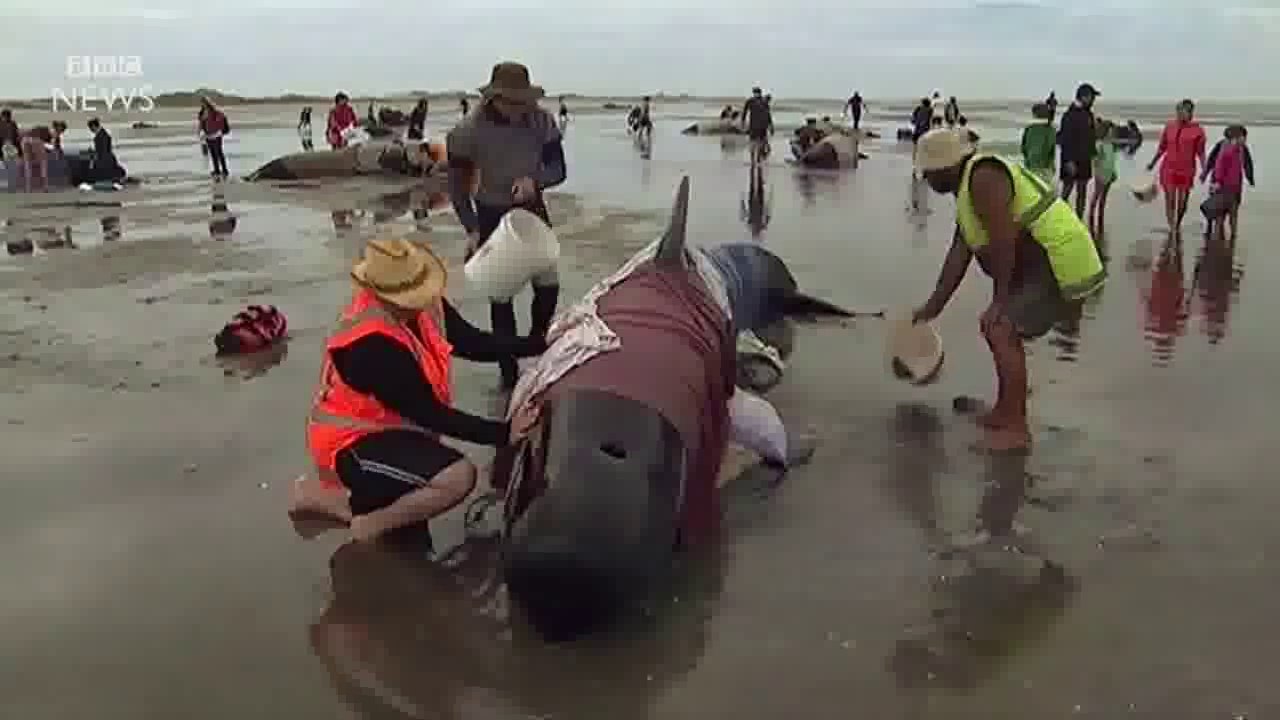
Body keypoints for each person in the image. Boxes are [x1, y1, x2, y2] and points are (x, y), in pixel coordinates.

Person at [291, 234, 547, 545]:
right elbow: (431, 414)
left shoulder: (427, 305)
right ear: (382, 295)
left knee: (415, 529)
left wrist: (536, 344)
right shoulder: (371, 347)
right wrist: (504, 433)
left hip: (396, 429)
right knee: (458, 477)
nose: (421, 299)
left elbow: (472, 342)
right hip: (351, 441)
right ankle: (364, 519)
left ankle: (344, 500)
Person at [911, 129, 1105, 452]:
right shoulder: (967, 190)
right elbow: (959, 253)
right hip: (1034, 266)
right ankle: (1004, 411)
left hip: (1057, 259)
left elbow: (1004, 239)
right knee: (996, 326)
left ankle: (1015, 428)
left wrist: (999, 300)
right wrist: (932, 307)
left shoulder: (983, 177)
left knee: (1000, 326)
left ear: (944, 166)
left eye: (929, 173)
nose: (927, 180)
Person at [446, 61, 566, 389]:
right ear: (493, 98)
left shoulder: (542, 121)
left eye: (523, 101)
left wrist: (536, 181)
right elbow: (457, 188)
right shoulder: (466, 132)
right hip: (491, 214)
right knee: (501, 296)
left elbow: (558, 168)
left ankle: (537, 344)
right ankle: (508, 373)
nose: (519, 109)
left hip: (531, 208)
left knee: (549, 285)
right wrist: (471, 228)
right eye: (511, 102)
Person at [1148, 99, 1206, 234]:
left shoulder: (1197, 130)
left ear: (1191, 113)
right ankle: (1172, 227)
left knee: (1183, 203)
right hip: (1168, 168)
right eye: (1179, 111)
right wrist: (1152, 163)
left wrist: (1205, 169)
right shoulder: (1169, 127)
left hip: (1186, 170)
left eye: (1185, 112)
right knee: (1170, 199)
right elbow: (1162, 148)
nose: (1181, 114)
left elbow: (1201, 152)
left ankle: (1177, 223)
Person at [1202, 125, 1253, 241]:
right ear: (1236, 137)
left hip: (1234, 188)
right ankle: (1217, 240)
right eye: (1243, 137)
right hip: (1222, 187)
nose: (1245, 139)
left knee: (1232, 214)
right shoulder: (1225, 149)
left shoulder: (1241, 149)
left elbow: (1247, 163)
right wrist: (1214, 180)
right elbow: (1215, 163)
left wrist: (1250, 177)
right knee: (1219, 215)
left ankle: (1232, 238)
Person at [1057, 83, 1099, 218]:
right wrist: (1069, 161)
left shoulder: (1089, 114)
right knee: (1067, 190)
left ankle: (1078, 220)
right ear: (1084, 97)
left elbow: (1091, 137)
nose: (1093, 100)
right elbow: (1065, 139)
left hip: (1085, 159)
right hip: (1071, 159)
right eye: (1092, 97)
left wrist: (1094, 155)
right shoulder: (1070, 115)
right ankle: (1059, 218)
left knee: (1082, 191)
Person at [1088, 118, 1117, 238]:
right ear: (1105, 132)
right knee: (1097, 195)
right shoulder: (1100, 145)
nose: (1112, 133)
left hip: (1109, 173)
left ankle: (1100, 215)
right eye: (1110, 131)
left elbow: (1112, 161)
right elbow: (1095, 160)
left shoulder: (1111, 145)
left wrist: (1114, 172)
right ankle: (1091, 215)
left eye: (1113, 132)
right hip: (1101, 174)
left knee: (1104, 197)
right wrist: (1098, 170)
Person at [1020, 103, 1056, 185]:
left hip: (1030, 166)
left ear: (1034, 114)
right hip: (1045, 167)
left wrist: (1027, 160)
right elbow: (1051, 149)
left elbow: (1023, 148)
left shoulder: (1029, 129)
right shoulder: (1050, 130)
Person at [198, 97, 231, 179]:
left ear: (207, 103)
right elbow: (201, 124)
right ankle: (216, 170)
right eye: (202, 103)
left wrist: (220, 131)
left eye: (204, 102)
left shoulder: (215, 112)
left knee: (219, 153)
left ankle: (225, 170)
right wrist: (200, 133)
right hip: (208, 136)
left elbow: (222, 119)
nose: (203, 104)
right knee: (213, 154)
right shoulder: (202, 113)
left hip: (216, 135)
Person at [741, 87, 773, 163]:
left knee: (758, 143)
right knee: (755, 142)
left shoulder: (762, 102)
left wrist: (771, 126)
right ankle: (754, 159)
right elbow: (745, 111)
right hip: (756, 125)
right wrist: (743, 121)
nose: (756, 94)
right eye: (755, 93)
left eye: (756, 93)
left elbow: (768, 115)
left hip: (760, 126)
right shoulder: (751, 101)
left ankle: (757, 159)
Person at [86, 118, 123, 182]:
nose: (91, 130)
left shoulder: (101, 136)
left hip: (104, 161)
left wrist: (92, 153)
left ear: (94, 126)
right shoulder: (102, 134)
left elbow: (101, 151)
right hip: (107, 158)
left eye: (91, 128)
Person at [19, 126, 53, 192]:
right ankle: (45, 187)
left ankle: (29, 188)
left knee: (29, 166)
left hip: (27, 144)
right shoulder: (41, 138)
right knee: (42, 166)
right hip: (36, 146)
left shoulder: (28, 137)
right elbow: (49, 148)